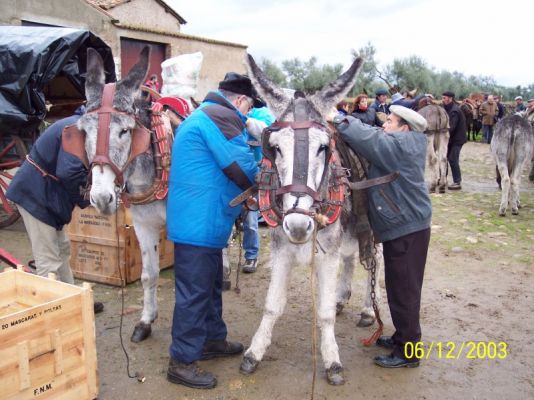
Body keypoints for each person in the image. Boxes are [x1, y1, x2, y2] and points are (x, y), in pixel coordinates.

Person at [166, 72, 260, 389]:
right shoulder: (222, 117)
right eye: (248, 109)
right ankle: (181, 362)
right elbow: (241, 167)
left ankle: (211, 340)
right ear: (240, 101)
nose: (247, 115)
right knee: (194, 294)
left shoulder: (207, 114)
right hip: (199, 223)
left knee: (208, 286)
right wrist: (261, 151)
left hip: (202, 222)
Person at [331, 105, 432, 368]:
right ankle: (402, 337)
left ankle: (408, 353)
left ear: (404, 128)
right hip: (405, 227)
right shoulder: (405, 144)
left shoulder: (401, 146)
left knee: (405, 292)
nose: (384, 125)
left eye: (390, 121)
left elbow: (369, 138)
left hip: (407, 229)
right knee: (401, 287)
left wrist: (339, 119)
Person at [6, 106, 104, 314]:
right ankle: (52, 312)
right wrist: (90, 199)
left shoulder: (80, 127)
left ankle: (73, 299)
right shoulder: (75, 130)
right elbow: (69, 173)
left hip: (47, 196)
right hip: (35, 196)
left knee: (62, 248)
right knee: (48, 259)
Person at [241, 105, 275, 273]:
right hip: (232, 172)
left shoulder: (262, 115)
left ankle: (251, 255)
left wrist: (245, 120)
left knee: (250, 219)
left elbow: (266, 132)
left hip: (253, 173)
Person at [441, 91, 467, 190]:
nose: (443, 100)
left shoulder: (454, 111)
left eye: (444, 98)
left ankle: (457, 182)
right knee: (444, 158)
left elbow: (452, 127)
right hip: (450, 139)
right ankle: (443, 178)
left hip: (457, 139)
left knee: (452, 159)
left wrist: (441, 133)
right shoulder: (447, 108)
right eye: (442, 98)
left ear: (450, 99)